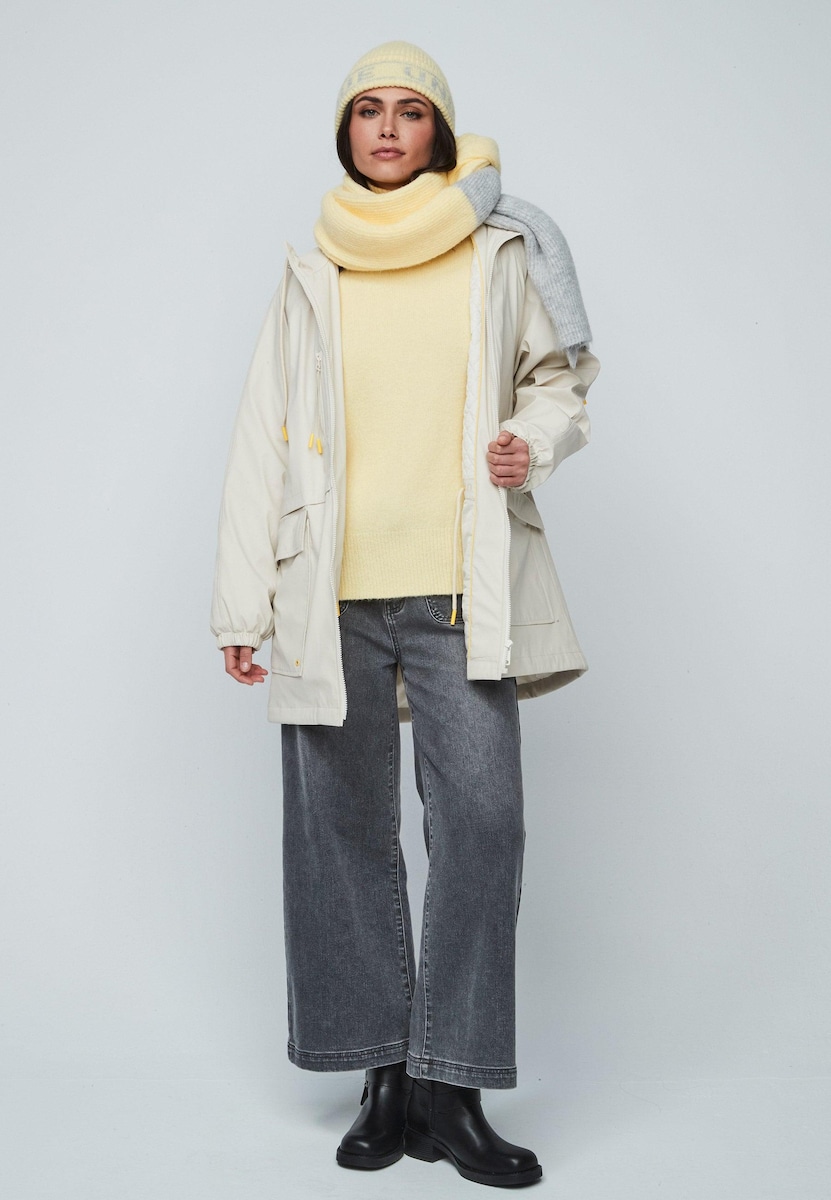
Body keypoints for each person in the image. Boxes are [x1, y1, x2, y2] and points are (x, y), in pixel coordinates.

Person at [210, 39, 600, 1189]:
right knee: (338, 834)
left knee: (484, 825)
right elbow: (261, 438)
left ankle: (452, 1084)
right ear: (346, 133)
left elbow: (562, 379)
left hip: (459, 590)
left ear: (440, 129)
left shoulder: (499, 250)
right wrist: (241, 602)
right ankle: (381, 1076)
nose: (388, 128)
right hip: (327, 592)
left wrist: (533, 441)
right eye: (368, 110)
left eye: (411, 110)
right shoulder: (312, 269)